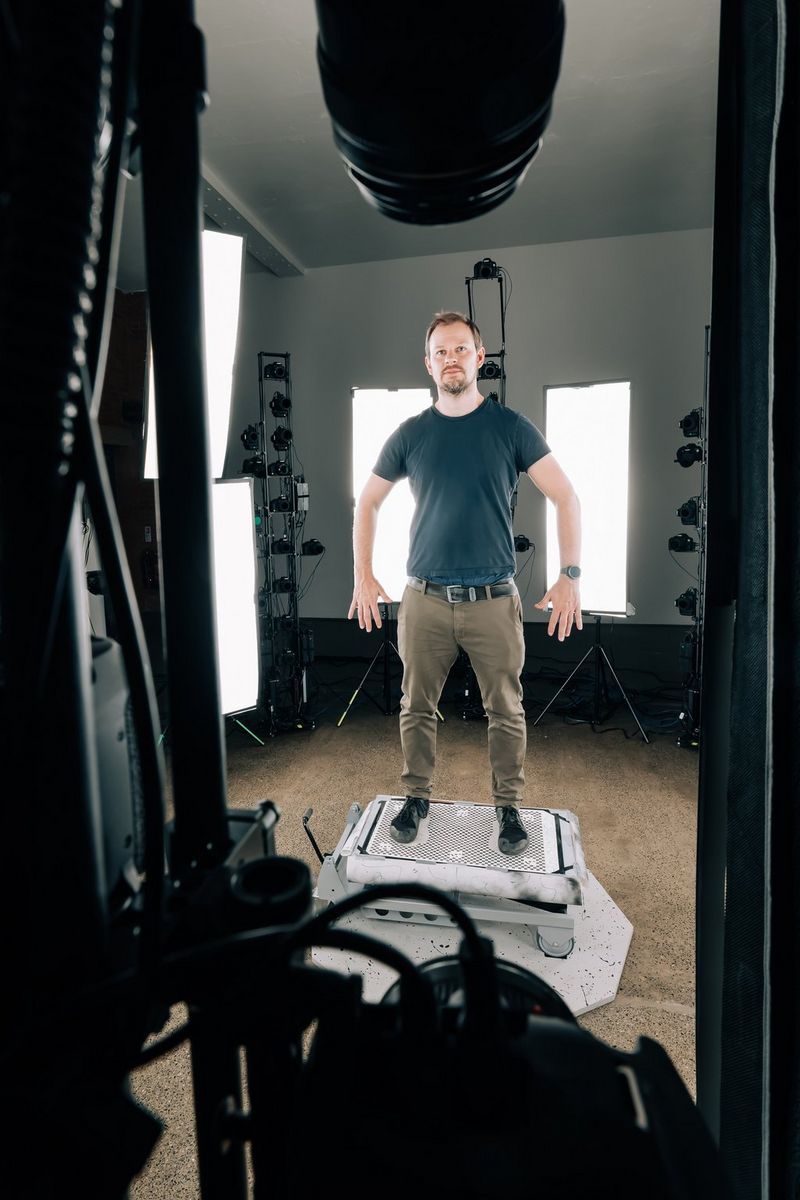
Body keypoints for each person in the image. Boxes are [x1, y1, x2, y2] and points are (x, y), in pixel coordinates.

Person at [348, 310, 582, 855]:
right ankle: (416, 798)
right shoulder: (410, 434)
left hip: (493, 600)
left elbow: (566, 496)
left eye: (460, 349)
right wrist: (363, 575)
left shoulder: (511, 427)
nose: (450, 358)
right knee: (416, 706)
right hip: (423, 599)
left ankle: (509, 810)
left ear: (480, 358)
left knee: (506, 709)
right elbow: (368, 501)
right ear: (428, 364)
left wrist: (569, 575)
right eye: (440, 352)